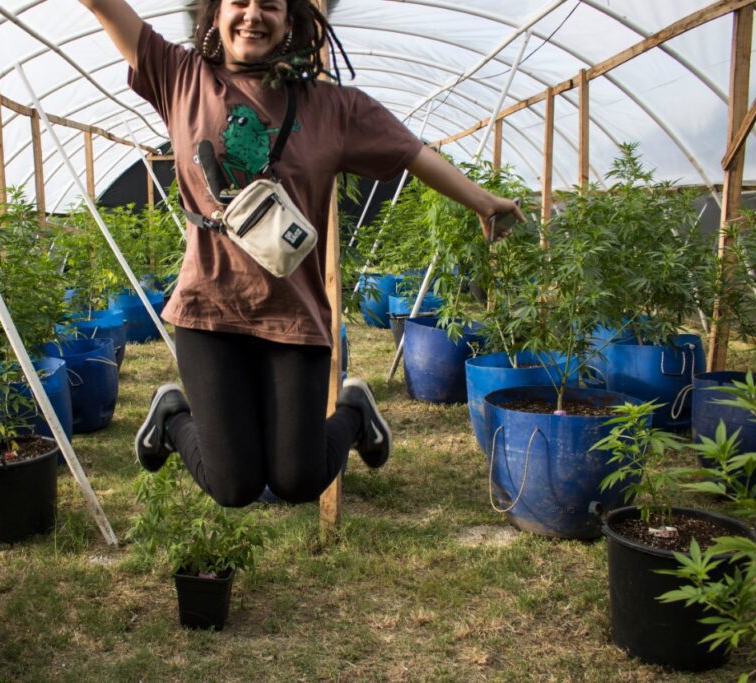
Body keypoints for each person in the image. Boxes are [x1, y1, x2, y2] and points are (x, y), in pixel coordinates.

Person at [79, 0, 524, 507]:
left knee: (298, 480)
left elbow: (413, 154)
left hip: (294, 313)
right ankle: (172, 415)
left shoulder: (333, 108)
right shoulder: (180, 76)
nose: (252, 15)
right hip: (208, 309)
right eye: (239, 3)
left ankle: (354, 408)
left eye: (269, 5)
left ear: (291, 22)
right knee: (234, 486)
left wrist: (483, 201)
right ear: (215, 15)